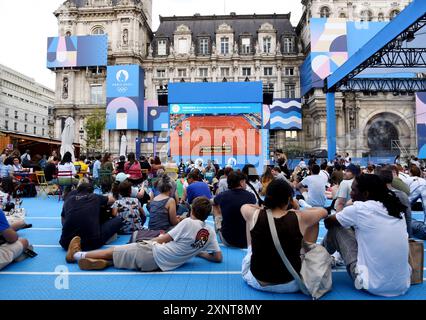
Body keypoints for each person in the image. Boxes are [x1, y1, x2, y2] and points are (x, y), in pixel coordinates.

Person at [66, 196, 222, 271]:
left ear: (192, 210)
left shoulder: (187, 222)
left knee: (115, 250)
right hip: (158, 266)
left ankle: (78, 255)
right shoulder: (210, 233)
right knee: (121, 256)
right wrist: (199, 253)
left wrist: (149, 240)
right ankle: (102, 263)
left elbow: (163, 240)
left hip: (152, 252)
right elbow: (217, 257)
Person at [323, 174, 411, 297]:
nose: (351, 193)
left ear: (366, 194)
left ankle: (317, 259)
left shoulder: (360, 209)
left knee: (337, 228)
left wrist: (324, 213)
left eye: (353, 190)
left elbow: (328, 222)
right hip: (402, 285)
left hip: (370, 285)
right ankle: (324, 258)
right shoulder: (395, 209)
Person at [241, 179, 327, 293]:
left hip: (257, 282)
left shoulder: (255, 214)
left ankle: (250, 250)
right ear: (288, 199)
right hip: (290, 283)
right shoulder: (299, 217)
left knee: (250, 220)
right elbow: (323, 211)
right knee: (313, 221)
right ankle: (307, 255)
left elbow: (245, 206)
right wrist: (297, 208)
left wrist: (262, 208)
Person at [60, 179, 122, 254]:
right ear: (91, 191)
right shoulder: (94, 197)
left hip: (66, 242)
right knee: (118, 220)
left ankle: (76, 247)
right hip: (91, 243)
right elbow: (112, 200)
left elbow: (63, 218)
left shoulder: (69, 200)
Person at [213, 171, 257, 248]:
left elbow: (213, 203)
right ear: (241, 182)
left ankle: (219, 227)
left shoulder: (222, 196)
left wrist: (218, 219)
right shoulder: (251, 196)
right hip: (248, 241)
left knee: (215, 207)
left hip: (228, 240)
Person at [376, 166, 412, 238]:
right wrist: (409, 235)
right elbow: (408, 216)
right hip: (400, 233)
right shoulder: (403, 195)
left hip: (381, 234)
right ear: (392, 179)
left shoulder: (376, 196)